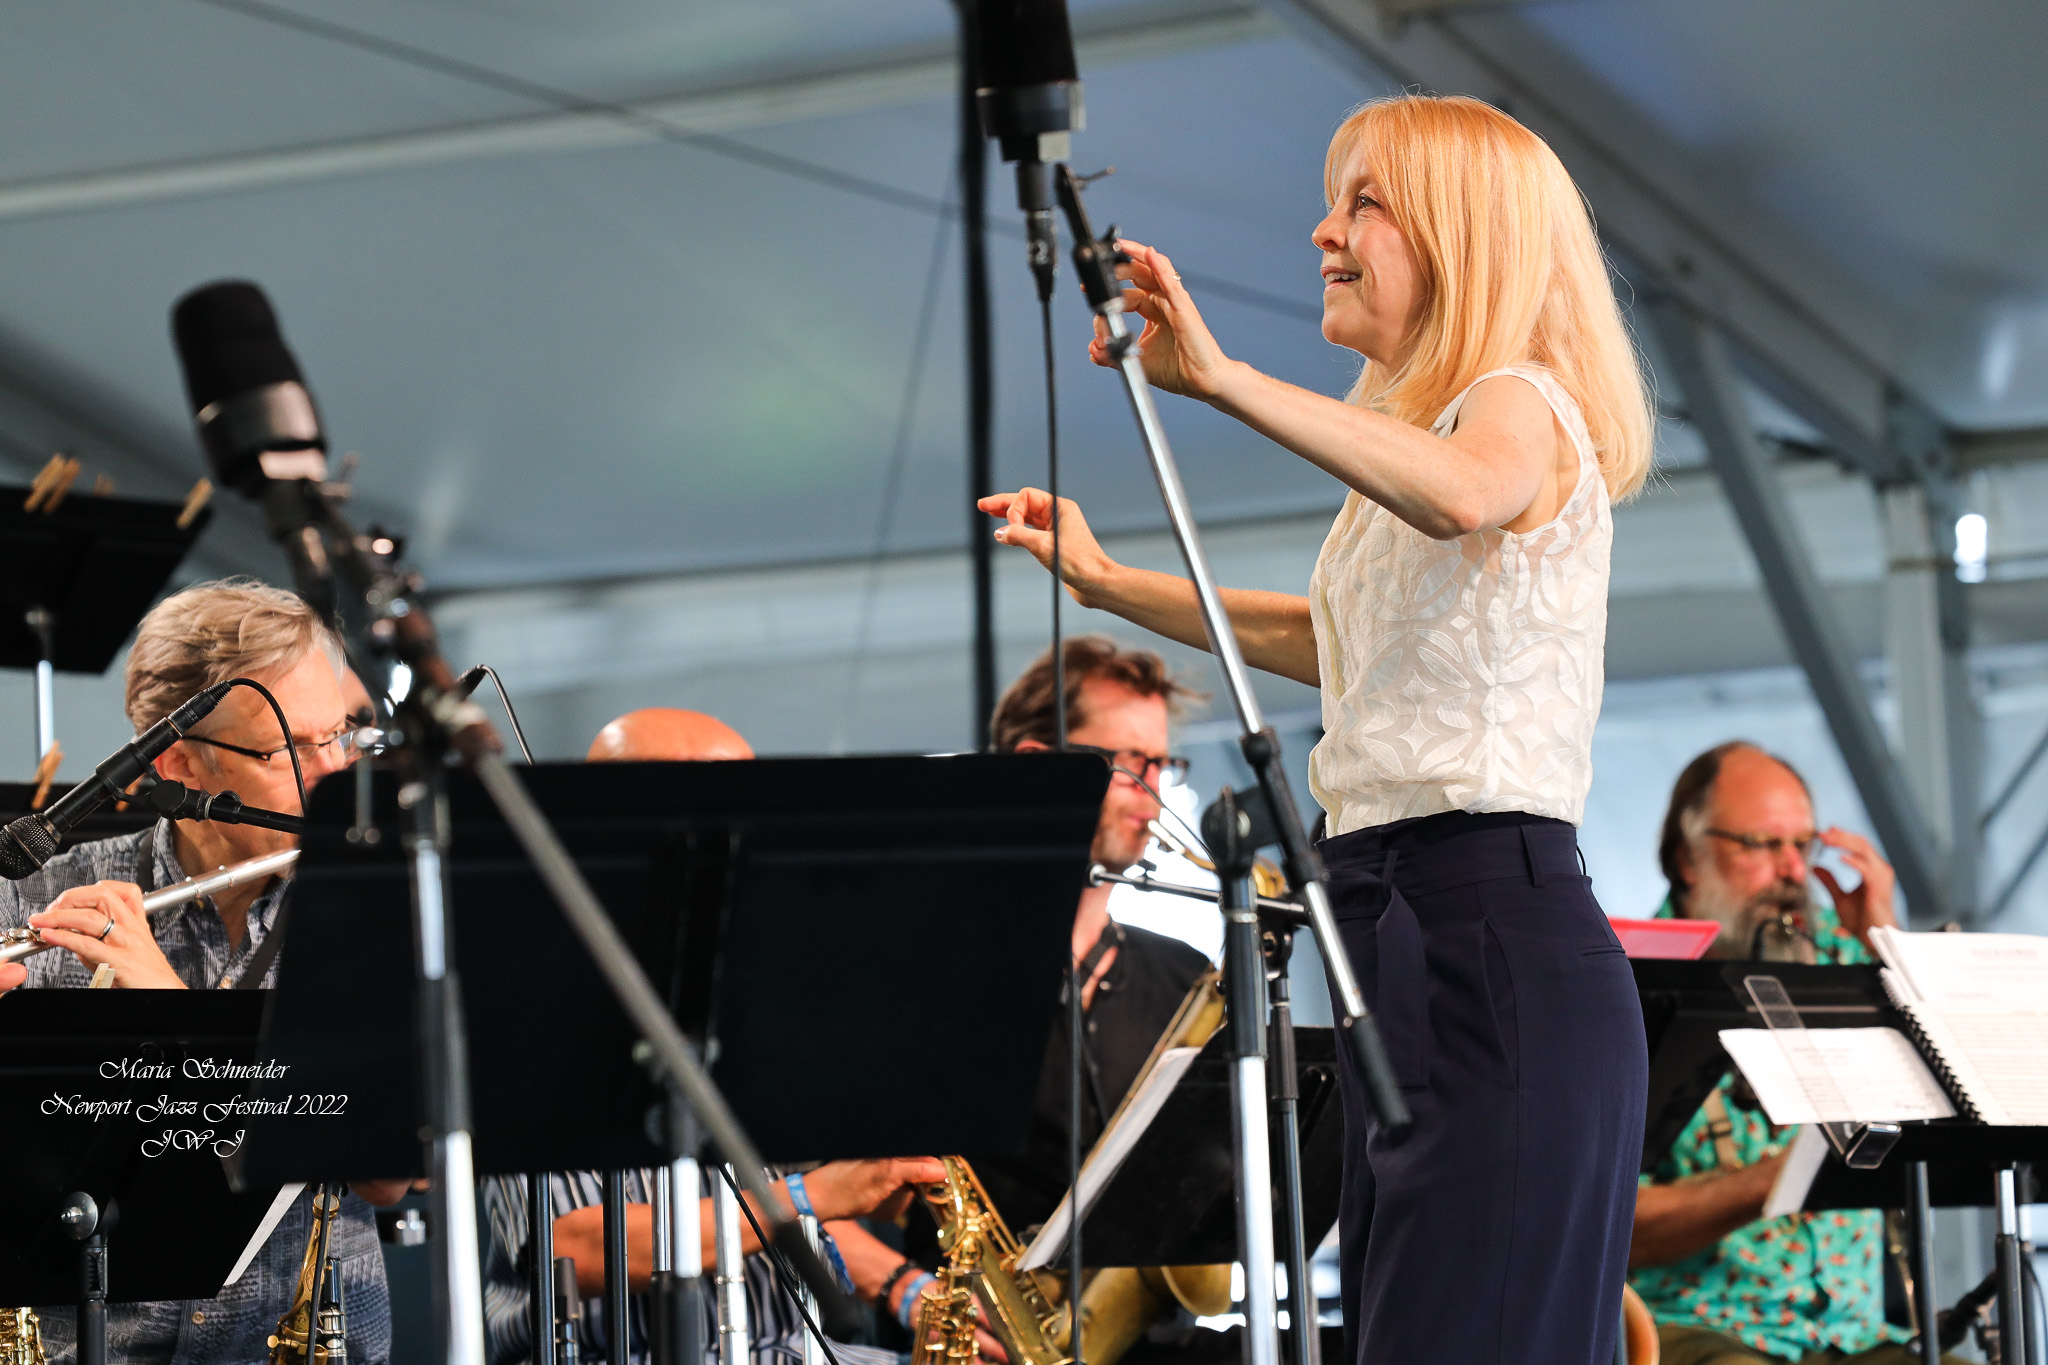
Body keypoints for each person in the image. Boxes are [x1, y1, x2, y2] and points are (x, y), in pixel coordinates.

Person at [980, 93, 1654, 1363]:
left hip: (1485, 927)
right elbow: (1324, 640)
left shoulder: (1517, 399)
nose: (1321, 231)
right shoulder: (1430, 440)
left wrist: (1222, 380)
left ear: (1463, 234)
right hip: (1388, 926)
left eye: (1363, 202)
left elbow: (1463, 498)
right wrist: (1106, 579)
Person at [0, 579, 407, 1364]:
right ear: (179, 758)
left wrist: (173, 1019)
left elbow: (390, 1176)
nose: (332, 770)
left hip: (306, 1340)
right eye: (290, 747)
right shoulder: (30, 891)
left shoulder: (374, 903)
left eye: (342, 735)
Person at [477, 707, 943, 1365]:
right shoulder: (531, 1009)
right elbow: (573, 1246)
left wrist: (903, 1275)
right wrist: (817, 1193)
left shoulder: (755, 994)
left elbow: (770, 1214)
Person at [1629, 742, 1954, 1365]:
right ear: (1687, 859)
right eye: (1761, 844)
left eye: (1803, 845)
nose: (1792, 871)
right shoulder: (1629, 987)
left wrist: (1884, 935)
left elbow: (1966, 1083)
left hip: (1854, 1335)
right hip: (1702, 1328)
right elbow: (1607, 1226)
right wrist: (1773, 1179)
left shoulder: (1846, 955)